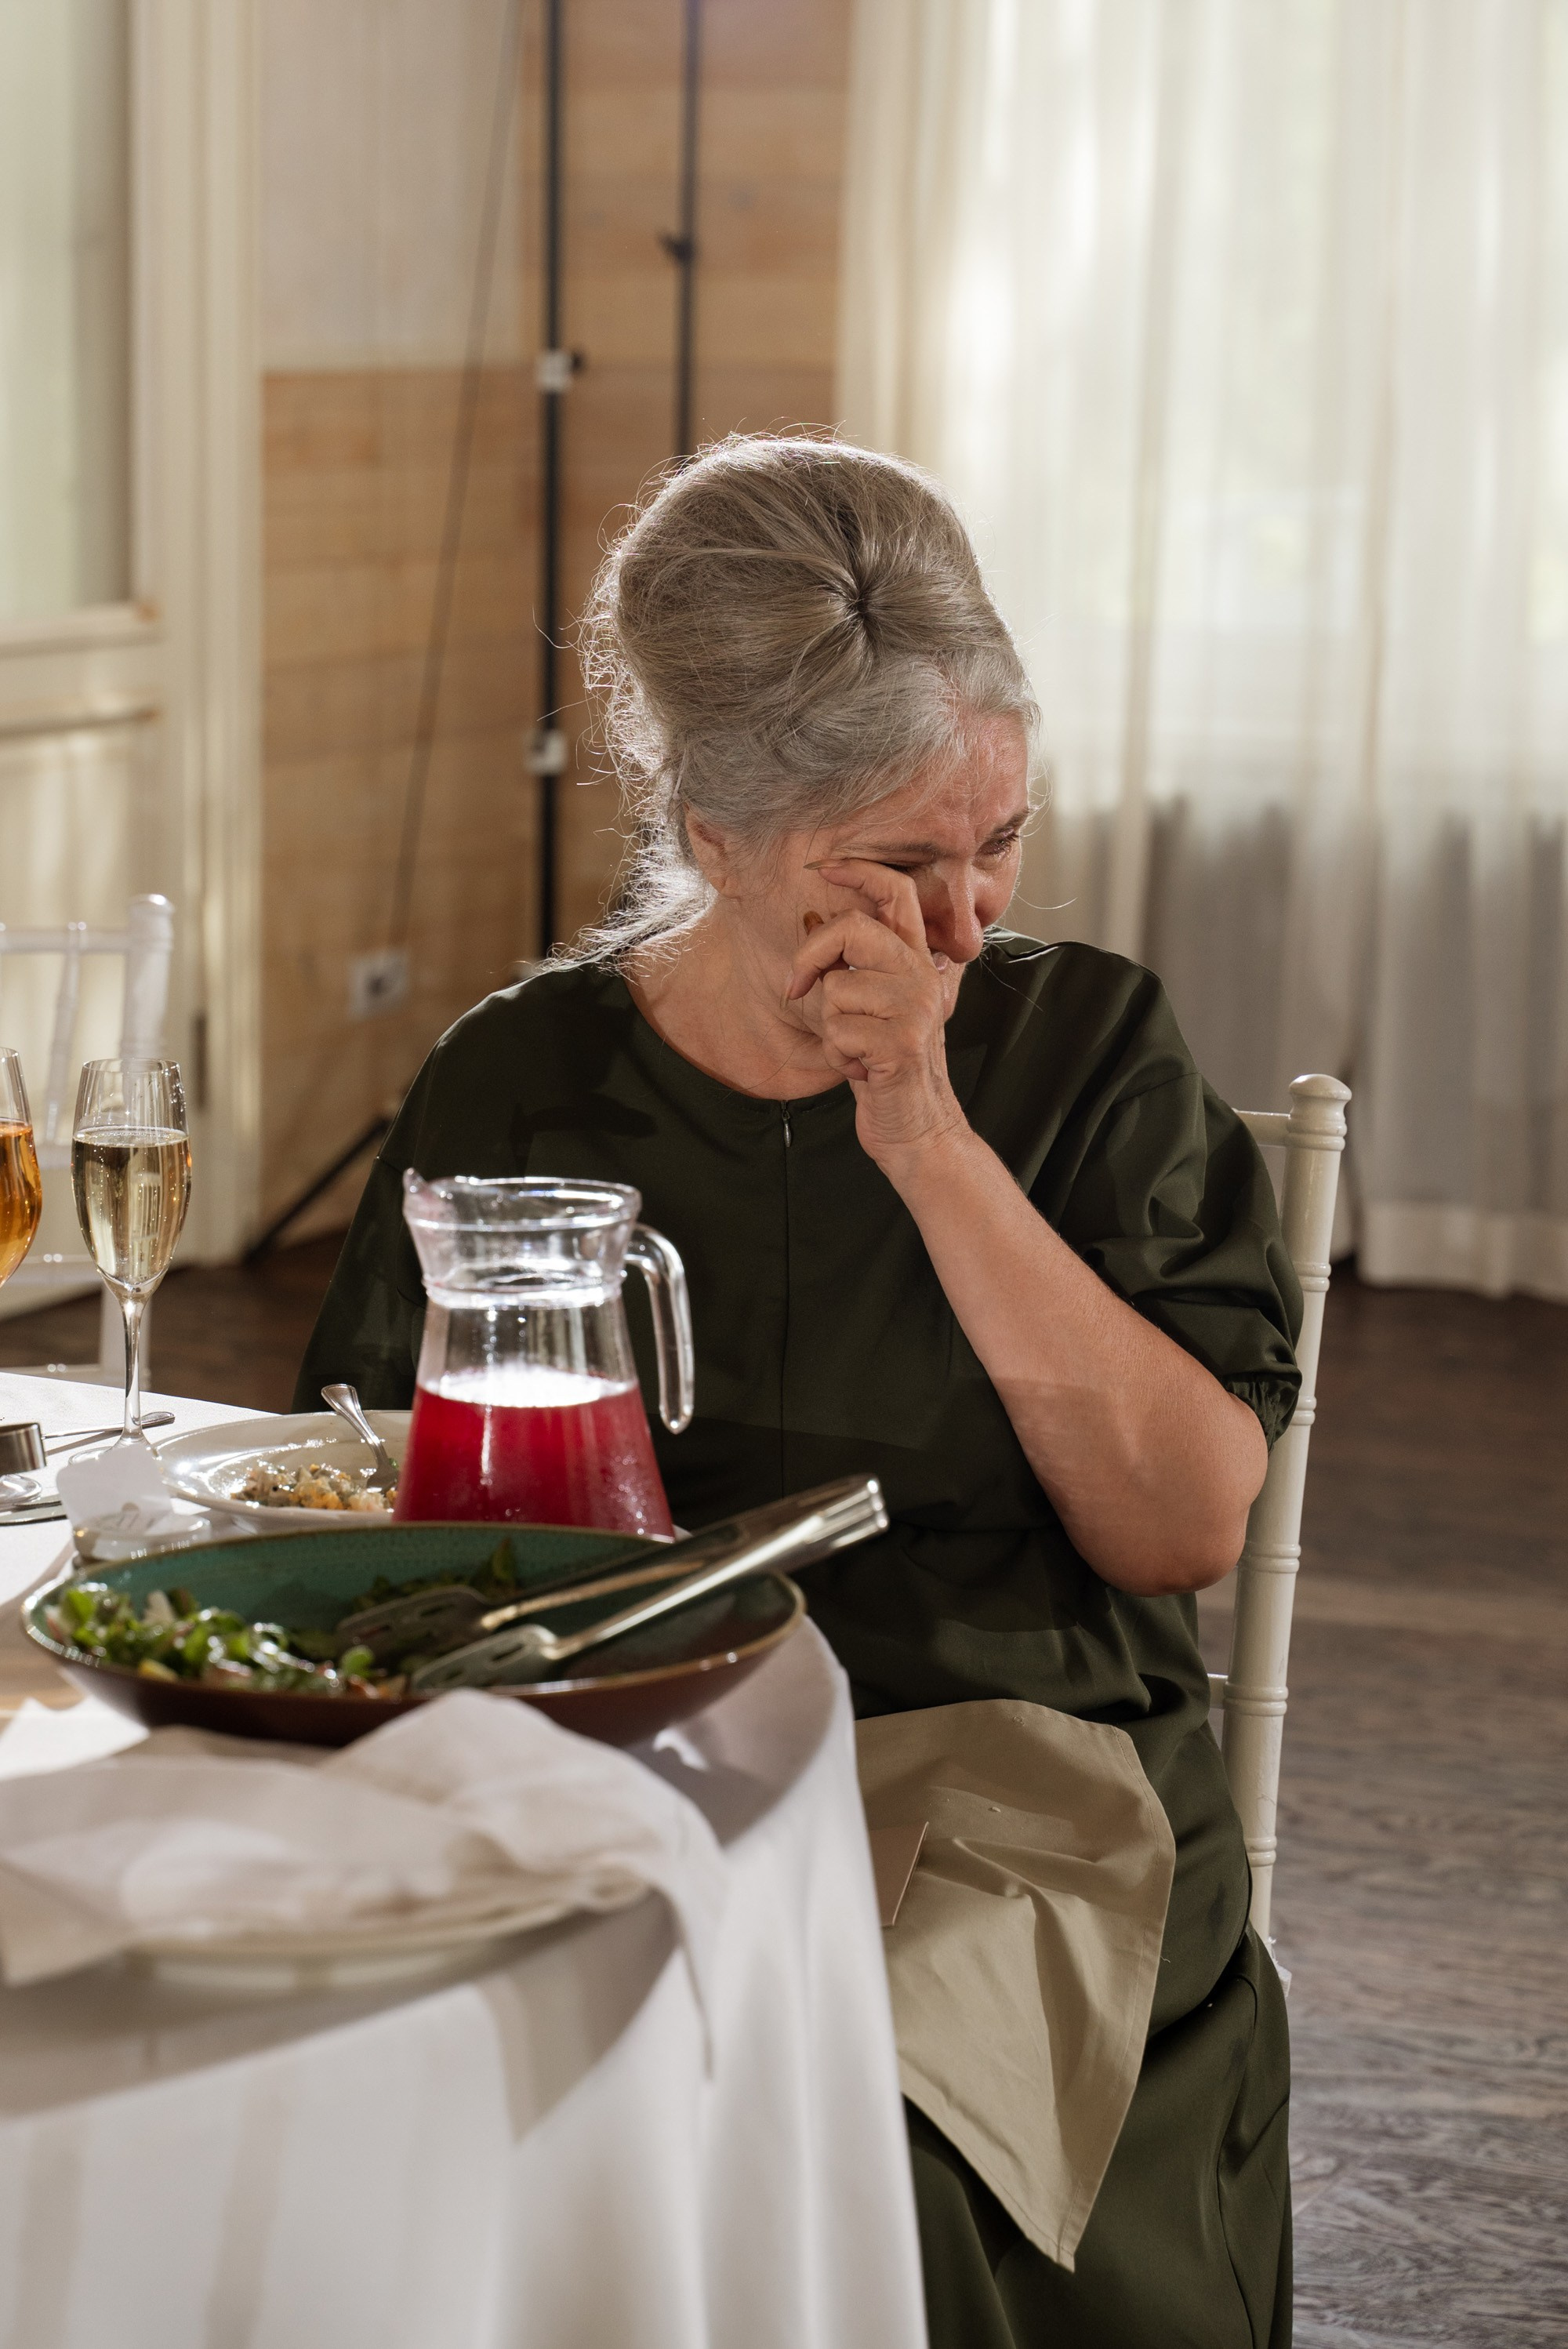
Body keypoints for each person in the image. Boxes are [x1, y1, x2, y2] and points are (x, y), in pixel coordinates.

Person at [296, 436, 1300, 2348]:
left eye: (998, 842)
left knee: (835, 2136)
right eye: (902, 864)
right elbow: (368, 1518)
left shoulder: (1083, 1051)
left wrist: (922, 1132)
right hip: (601, 1779)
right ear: (712, 826)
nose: (969, 918)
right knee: (395, 2103)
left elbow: (1182, 1522)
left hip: (1008, 1794)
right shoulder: (522, 1086)